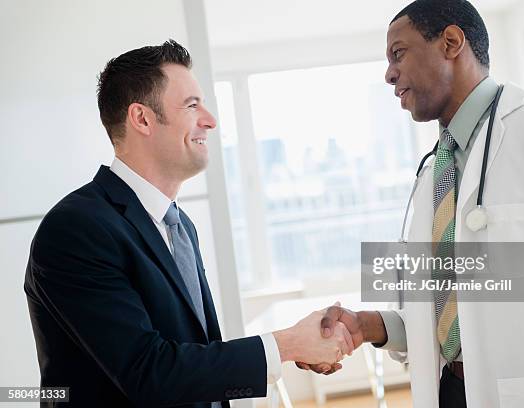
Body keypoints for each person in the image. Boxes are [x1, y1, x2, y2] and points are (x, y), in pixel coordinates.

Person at [299, 1, 524, 407]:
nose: (389, 74)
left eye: (398, 53)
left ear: (450, 42)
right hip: (449, 393)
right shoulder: (435, 171)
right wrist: (368, 326)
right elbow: (451, 315)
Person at [24, 40, 354, 408]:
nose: (210, 120)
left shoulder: (179, 225)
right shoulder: (76, 229)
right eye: (192, 105)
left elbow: (194, 355)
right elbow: (149, 372)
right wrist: (287, 343)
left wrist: (293, 349)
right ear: (142, 119)